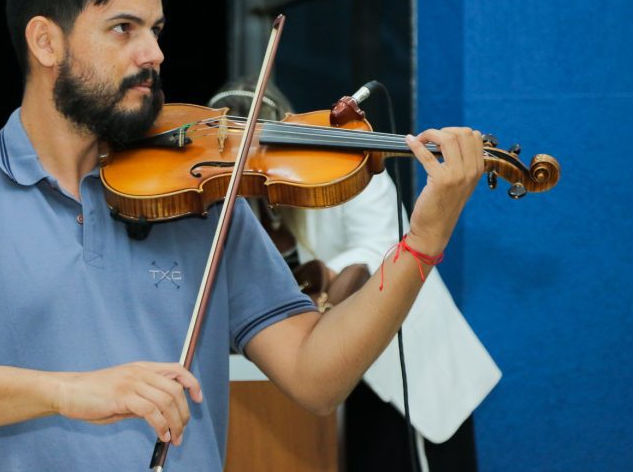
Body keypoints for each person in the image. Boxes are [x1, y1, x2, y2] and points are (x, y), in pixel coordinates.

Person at [0, 0, 486, 471]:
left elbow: (318, 376)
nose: (153, 52)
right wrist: (67, 392)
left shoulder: (201, 197)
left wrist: (422, 241)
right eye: (123, 28)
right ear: (45, 41)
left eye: (156, 28)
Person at [208, 80, 502, 471]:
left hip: (405, 371)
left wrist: (322, 285)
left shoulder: (350, 167)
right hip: (339, 376)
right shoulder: (239, 202)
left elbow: (375, 257)